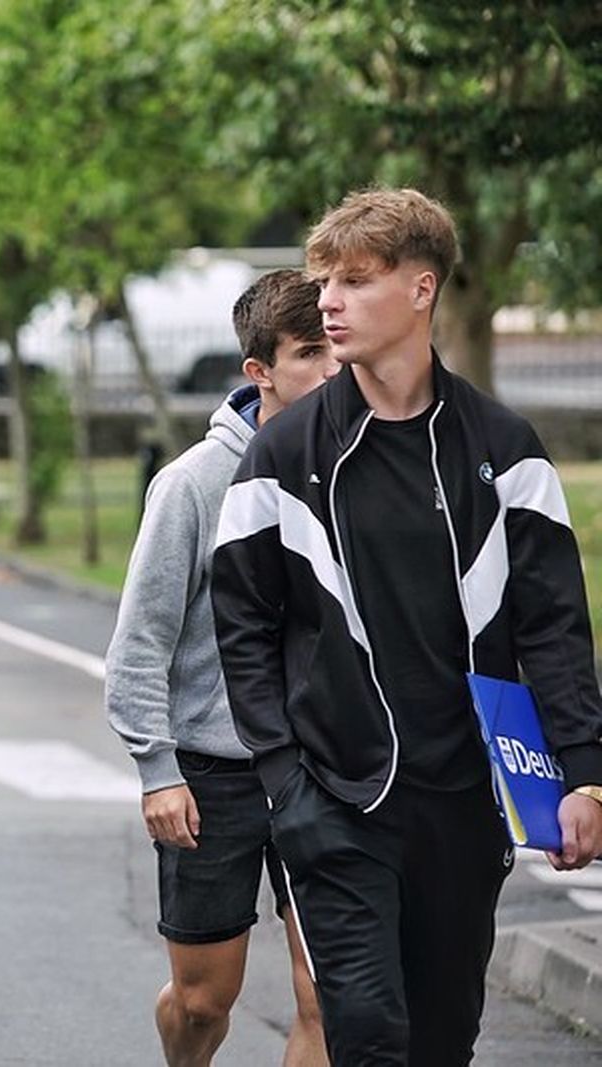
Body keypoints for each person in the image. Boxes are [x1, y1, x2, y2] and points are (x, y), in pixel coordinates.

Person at [212, 188, 602, 1065]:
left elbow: (553, 627)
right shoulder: (282, 455)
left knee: (439, 1041)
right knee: (368, 1038)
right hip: (335, 801)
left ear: (422, 289)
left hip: (465, 805)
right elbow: (242, 624)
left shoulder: (507, 449)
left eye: (355, 280)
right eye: (324, 283)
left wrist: (586, 773)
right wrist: (286, 781)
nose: (330, 302)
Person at [106, 269, 336, 1066]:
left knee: (325, 994)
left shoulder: (363, 474)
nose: (332, 370)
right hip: (215, 773)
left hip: (328, 768)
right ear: (260, 371)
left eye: (337, 348)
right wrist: (157, 768)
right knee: (205, 1000)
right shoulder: (193, 485)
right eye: (310, 353)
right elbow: (139, 645)